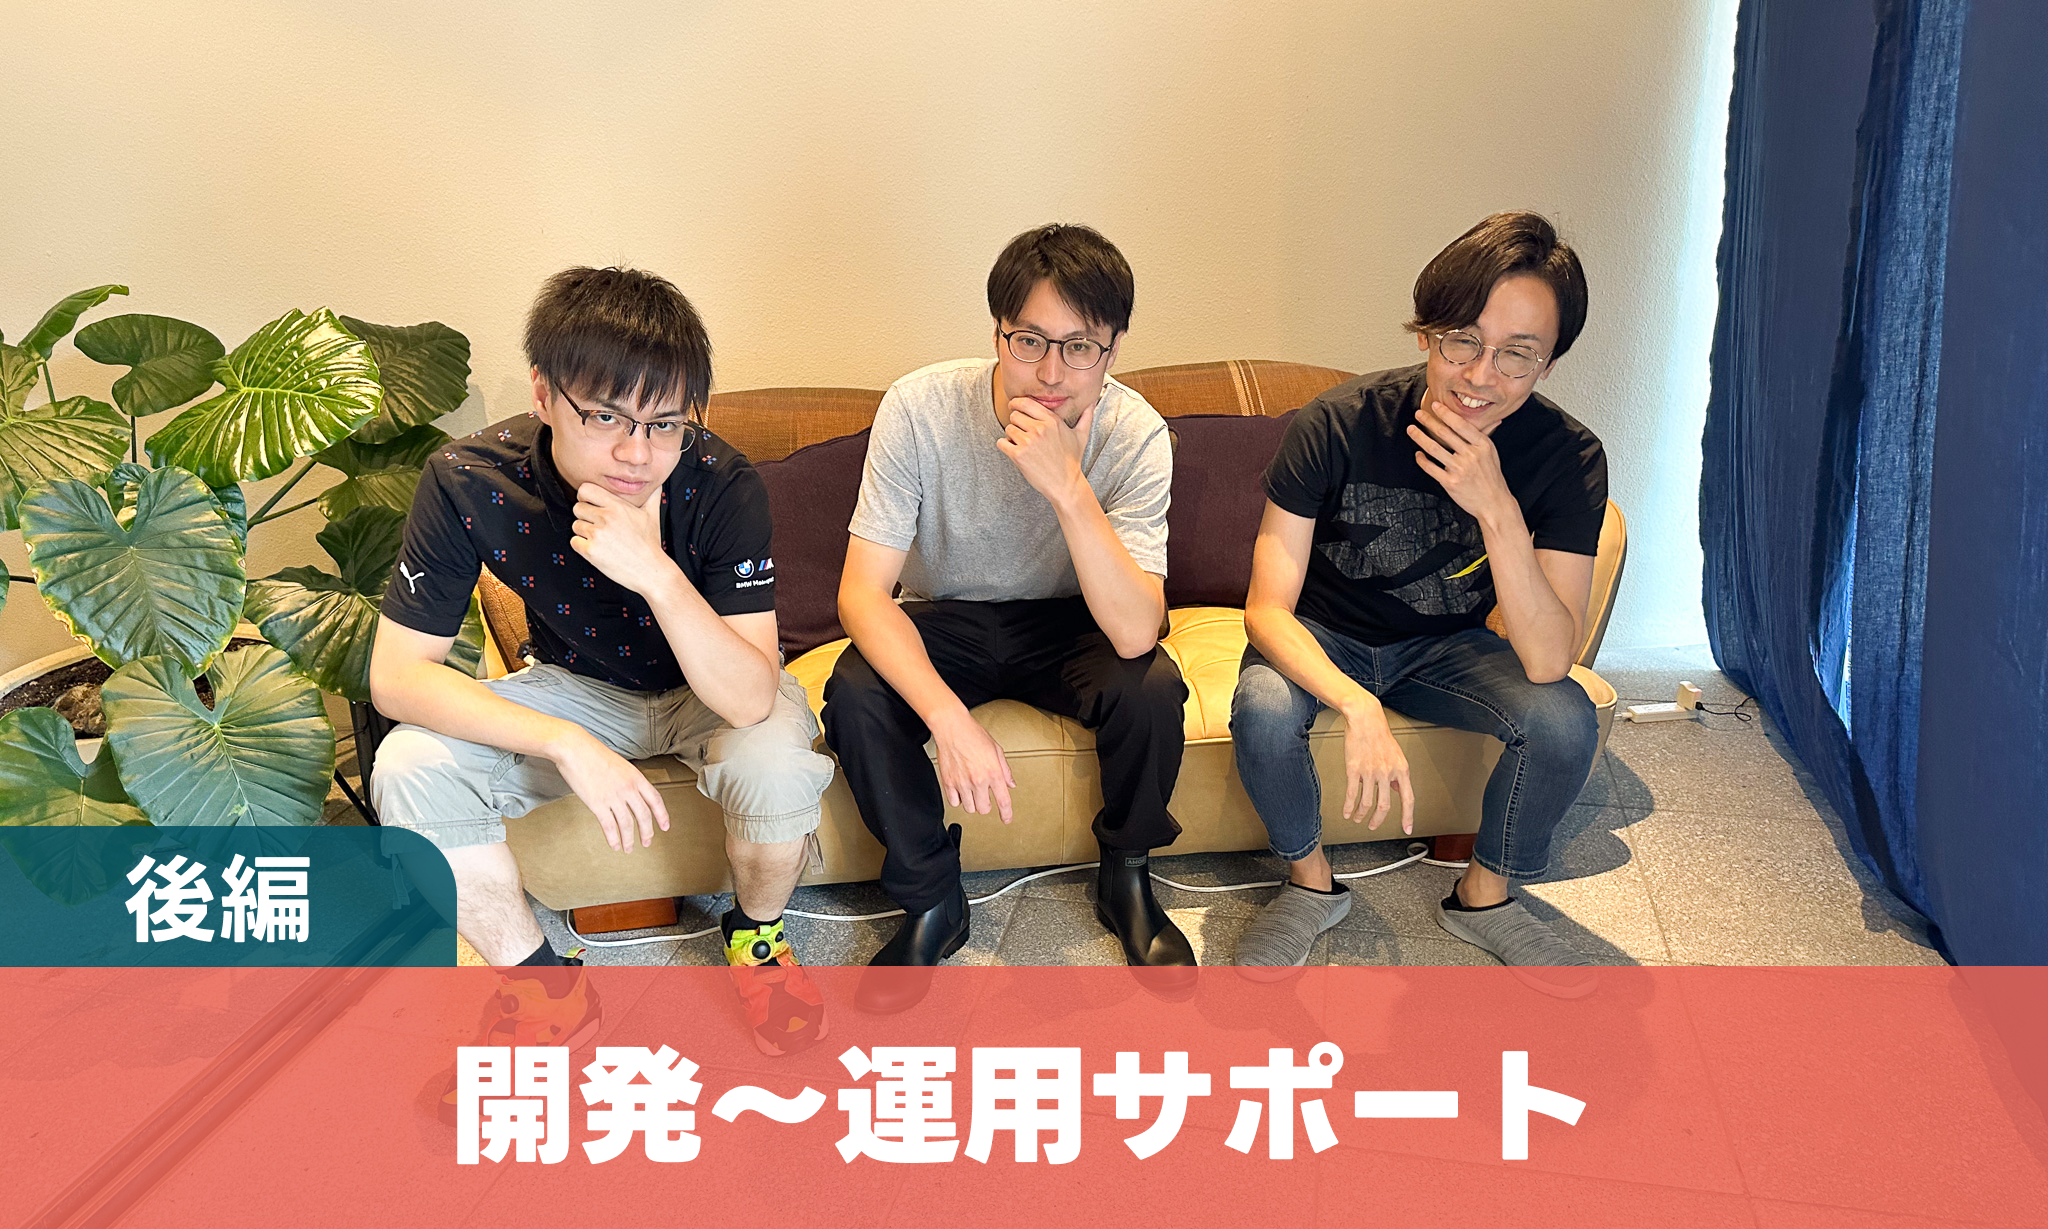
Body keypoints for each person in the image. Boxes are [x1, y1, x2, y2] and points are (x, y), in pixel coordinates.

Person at [369, 266, 836, 1055]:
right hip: (574, 688)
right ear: (544, 393)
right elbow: (398, 674)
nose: (636, 452)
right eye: (606, 416)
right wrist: (565, 741)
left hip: (706, 686)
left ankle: (756, 936)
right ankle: (542, 987)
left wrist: (655, 571)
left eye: (664, 423)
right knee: (408, 764)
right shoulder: (470, 481)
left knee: (776, 760)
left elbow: (751, 696)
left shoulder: (722, 484)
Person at [1229, 212, 1607, 991]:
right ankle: (1310, 884)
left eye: (1517, 354)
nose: (1480, 376)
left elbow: (1548, 658)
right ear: (1427, 333)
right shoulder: (1339, 423)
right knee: (1263, 706)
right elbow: (1266, 609)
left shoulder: (1569, 457)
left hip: (1448, 647)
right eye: (1462, 340)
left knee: (1565, 717)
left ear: (1548, 365)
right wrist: (1356, 702)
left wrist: (1497, 508)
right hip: (1325, 633)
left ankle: (1484, 894)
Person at [824, 223, 1194, 1009]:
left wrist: (1069, 487)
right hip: (945, 614)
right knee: (856, 691)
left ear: (1113, 349)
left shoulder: (1135, 433)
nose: (1051, 373)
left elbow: (1135, 628)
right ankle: (932, 900)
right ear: (997, 334)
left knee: (1151, 686)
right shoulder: (920, 408)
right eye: (1029, 341)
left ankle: (1127, 876)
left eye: (1079, 347)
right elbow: (862, 594)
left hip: (1072, 619)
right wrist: (948, 718)